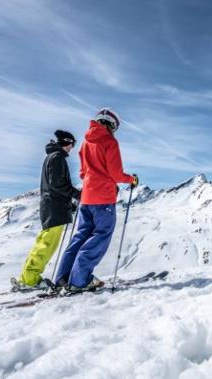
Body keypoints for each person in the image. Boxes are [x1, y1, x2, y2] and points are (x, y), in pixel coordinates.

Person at [55, 108, 138, 292]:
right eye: (114, 127)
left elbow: (83, 172)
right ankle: (79, 280)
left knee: (81, 235)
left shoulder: (85, 142)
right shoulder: (109, 141)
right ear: (109, 123)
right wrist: (131, 179)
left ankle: (63, 277)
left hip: (87, 196)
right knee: (100, 235)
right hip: (103, 198)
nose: (114, 131)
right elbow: (115, 173)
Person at [13, 130, 81, 290]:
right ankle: (29, 280)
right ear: (68, 142)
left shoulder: (53, 157)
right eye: (73, 144)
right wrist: (76, 194)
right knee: (47, 244)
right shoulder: (57, 158)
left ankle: (27, 277)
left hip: (53, 205)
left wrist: (68, 202)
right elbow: (57, 184)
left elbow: (54, 185)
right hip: (54, 207)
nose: (73, 148)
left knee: (44, 242)